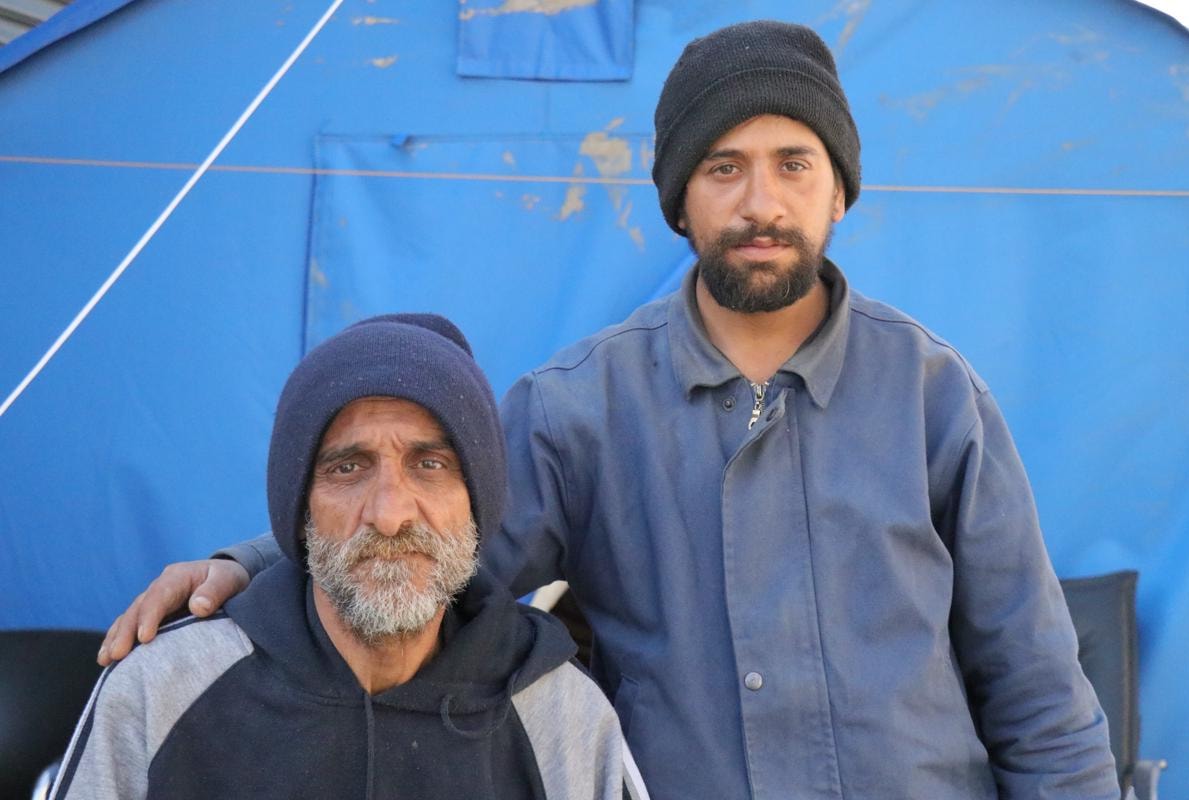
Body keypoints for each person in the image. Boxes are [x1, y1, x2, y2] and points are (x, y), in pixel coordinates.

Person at [98, 21, 1121, 800]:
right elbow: (429, 543)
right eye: (724, 168)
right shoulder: (576, 407)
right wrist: (254, 562)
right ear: (679, 201)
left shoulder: (935, 396)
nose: (761, 203)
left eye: (794, 164)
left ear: (839, 191)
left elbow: (1036, 690)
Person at [55, 314, 646, 800]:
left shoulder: (559, 712)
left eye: (429, 465)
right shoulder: (164, 691)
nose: (389, 515)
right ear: (299, 510)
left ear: (477, 503)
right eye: (347, 468)